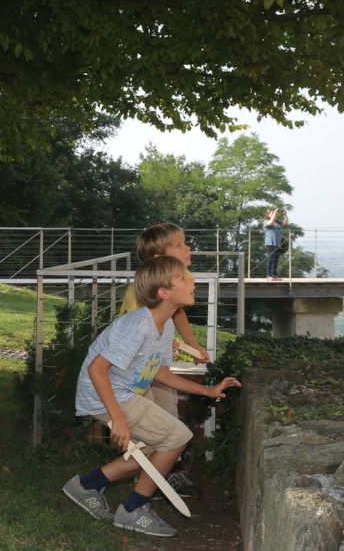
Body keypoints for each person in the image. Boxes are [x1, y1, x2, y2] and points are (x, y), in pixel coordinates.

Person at [63, 256, 241, 537]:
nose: (191, 281)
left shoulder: (165, 324)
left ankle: (86, 486)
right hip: (106, 393)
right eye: (183, 279)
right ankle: (134, 509)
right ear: (164, 292)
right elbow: (98, 369)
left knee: (152, 451)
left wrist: (207, 391)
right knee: (176, 437)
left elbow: (160, 374)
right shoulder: (137, 325)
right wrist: (118, 419)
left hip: (120, 391)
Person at [118, 223, 209, 498]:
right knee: (148, 421)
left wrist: (191, 343)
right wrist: (154, 340)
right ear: (160, 260)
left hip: (157, 362)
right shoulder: (141, 290)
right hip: (136, 369)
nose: (187, 248)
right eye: (179, 245)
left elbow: (177, 309)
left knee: (169, 414)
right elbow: (131, 329)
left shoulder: (178, 275)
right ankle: (147, 480)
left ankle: (164, 475)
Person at [264, 207, 288, 281]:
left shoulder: (277, 222)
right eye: (271, 212)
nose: (273, 213)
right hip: (270, 243)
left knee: (276, 260)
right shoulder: (266, 221)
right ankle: (269, 275)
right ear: (268, 214)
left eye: (273, 212)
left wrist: (285, 214)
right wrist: (274, 212)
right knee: (271, 259)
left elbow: (286, 222)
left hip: (278, 243)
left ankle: (274, 275)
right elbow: (270, 223)